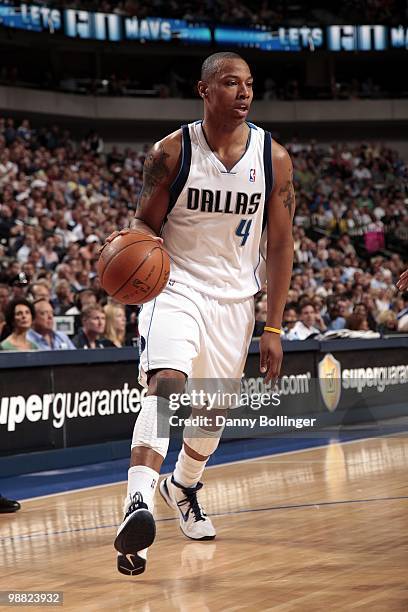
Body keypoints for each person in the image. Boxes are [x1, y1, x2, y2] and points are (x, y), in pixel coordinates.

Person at [106, 51, 295, 576]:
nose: (243, 92)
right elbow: (144, 223)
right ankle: (137, 502)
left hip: (237, 300)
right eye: (231, 83)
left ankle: (182, 485)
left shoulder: (274, 158)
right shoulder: (170, 152)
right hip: (177, 286)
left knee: (211, 417)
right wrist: (132, 246)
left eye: (250, 84)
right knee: (166, 385)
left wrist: (273, 324)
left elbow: (280, 247)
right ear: (204, 90)